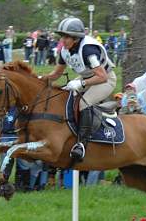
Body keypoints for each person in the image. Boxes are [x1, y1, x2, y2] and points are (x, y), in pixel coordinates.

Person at [44, 17, 116, 160]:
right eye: (61, 36)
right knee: (64, 95)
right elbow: (56, 74)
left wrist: (81, 84)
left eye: (66, 37)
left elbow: (102, 77)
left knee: (84, 103)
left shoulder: (88, 50)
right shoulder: (65, 51)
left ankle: (81, 144)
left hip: (106, 80)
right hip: (88, 78)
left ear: (76, 39)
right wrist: (38, 79)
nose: (62, 40)